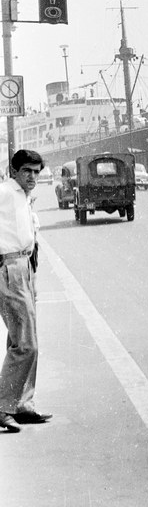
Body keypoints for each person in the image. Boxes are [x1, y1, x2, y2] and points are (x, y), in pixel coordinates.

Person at [0, 149, 52, 433]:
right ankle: (3, 407)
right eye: (27, 171)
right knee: (26, 344)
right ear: (14, 171)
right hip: (10, 268)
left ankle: (22, 404)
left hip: (26, 267)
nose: (33, 177)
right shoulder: (6, 192)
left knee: (22, 340)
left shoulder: (23, 195)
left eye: (36, 172)